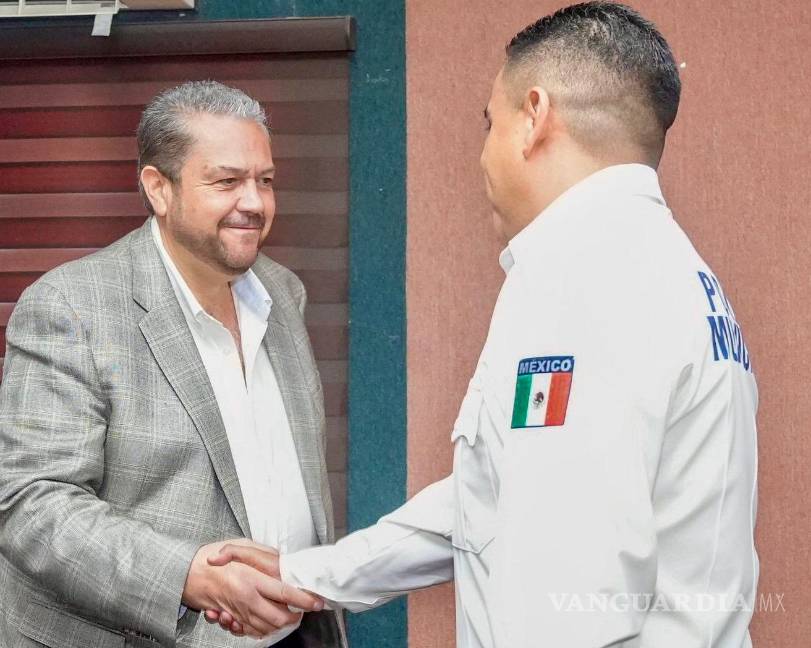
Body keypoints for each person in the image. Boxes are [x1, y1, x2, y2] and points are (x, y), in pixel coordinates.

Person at [209, 3, 759, 647]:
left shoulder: (582, 281)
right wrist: (314, 574)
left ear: (534, 116)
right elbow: (500, 497)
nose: (482, 157)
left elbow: (563, 606)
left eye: (490, 125)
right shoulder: (668, 268)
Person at [0, 81, 346, 648]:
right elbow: (32, 505)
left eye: (265, 180)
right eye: (227, 181)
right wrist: (190, 576)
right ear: (158, 189)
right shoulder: (71, 307)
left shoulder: (283, 294)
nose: (255, 202)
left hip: (297, 633)